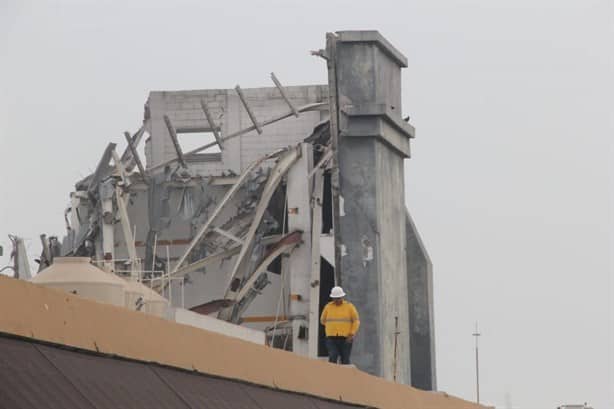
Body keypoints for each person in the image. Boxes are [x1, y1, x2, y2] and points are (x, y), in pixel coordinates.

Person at [320, 286, 360, 364]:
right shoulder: (328, 307)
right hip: (331, 338)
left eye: (338, 298)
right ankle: (331, 375)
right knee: (333, 356)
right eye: (335, 298)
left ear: (342, 297)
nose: (337, 300)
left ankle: (345, 376)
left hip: (346, 338)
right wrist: (332, 328)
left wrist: (351, 334)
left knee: (345, 359)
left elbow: (356, 321)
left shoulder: (349, 307)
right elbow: (322, 321)